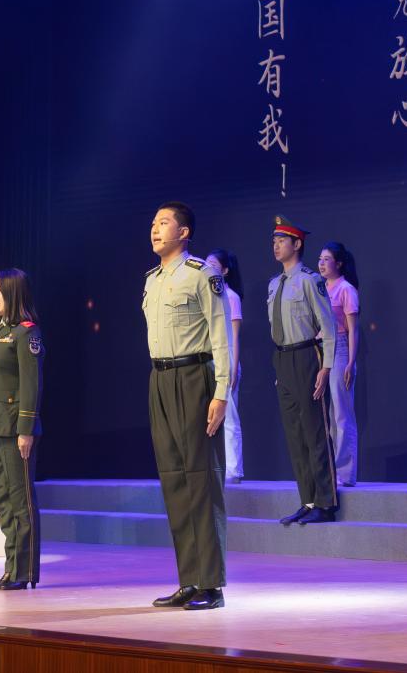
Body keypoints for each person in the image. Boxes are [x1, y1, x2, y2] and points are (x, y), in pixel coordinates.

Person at [143, 201, 230, 610]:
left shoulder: (201, 275)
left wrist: (221, 392)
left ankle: (211, 584)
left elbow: (221, 336)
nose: (155, 229)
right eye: (153, 223)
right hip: (160, 379)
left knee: (201, 479)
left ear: (184, 232)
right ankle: (189, 580)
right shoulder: (152, 280)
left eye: (164, 223)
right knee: (174, 481)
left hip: (195, 377)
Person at [268, 215, 338, 525]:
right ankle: (307, 501)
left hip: (307, 356)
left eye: (282, 240)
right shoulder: (274, 284)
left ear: (297, 244)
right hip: (283, 359)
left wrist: (326, 367)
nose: (276, 245)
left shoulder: (310, 280)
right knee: (295, 435)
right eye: (274, 241)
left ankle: (326, 502)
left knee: (315, 431)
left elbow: (328, 325)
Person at [0, 268, 44, 590]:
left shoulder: (26, 333)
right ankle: (10, 568)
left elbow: (32, 385)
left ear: (14, 293)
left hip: (15, 429)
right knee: (3, 500)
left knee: (21, 502)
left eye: (0, 290)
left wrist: (26, 429)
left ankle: (24, 571)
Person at [317, 242, 360, 488]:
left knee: (342, 413)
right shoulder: (320, 288)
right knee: (326, 415)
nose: (321, 264)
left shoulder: (346, 289)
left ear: (339, 263)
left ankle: (346, 473)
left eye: (326, 259)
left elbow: (353, 330)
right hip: (322, 349)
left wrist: (351, 362)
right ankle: (329, 470)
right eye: (320, 259)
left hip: (341, 348)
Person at [206, 248, 244, 484]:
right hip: (209, 357)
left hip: (227, 356)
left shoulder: (231, 297)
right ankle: (217, 467)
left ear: (225, 270)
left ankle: (234, 469)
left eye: (213, 264)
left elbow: (235, 337)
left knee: (229, 415)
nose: (208, 268)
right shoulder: (208, 295)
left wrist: (233, 367)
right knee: (211, 416)